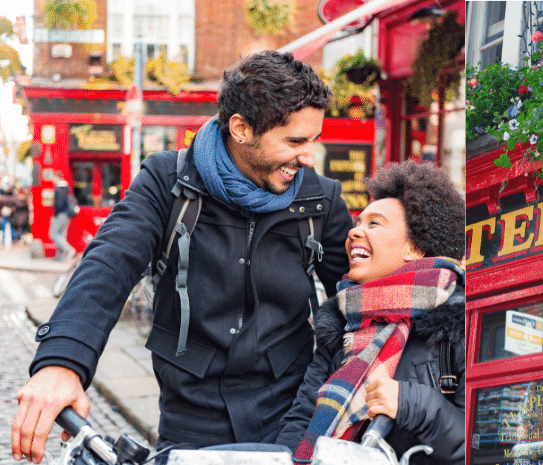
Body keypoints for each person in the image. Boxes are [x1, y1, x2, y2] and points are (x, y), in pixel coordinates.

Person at [12, 50, 353, 463]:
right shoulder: (166, 181)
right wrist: (62, 362)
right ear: (241, 129)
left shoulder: (321, 200)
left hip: (291, 410)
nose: (308, 157)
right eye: (296, 141)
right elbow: (110, 260)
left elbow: (357, 299)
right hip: (191, 421)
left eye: (314, 139)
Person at [276, 161, 466, 464]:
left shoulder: (456, 322)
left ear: (414, 248)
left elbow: (477, 442)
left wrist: (411, 404)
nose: (354, 232)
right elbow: (302, 418)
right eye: (357, 223)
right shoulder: (340, 323)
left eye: (373, 224)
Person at [49, 171, 76, 260]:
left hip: (61, 214)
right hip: (67, 214)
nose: (52, 180)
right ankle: (59, 257)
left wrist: (55, 214)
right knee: (61, 235)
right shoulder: (66, 187)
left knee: (53, 234)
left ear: (57, 177)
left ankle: (70, 250)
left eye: (53, 177)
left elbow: (59, 204)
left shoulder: (59, 188)